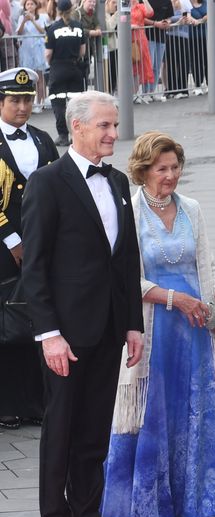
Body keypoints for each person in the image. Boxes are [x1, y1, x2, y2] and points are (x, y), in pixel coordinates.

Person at [100, 132, 215, 517]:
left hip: (194, 332)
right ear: (142, 171)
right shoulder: (129, 213)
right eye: (161, 169)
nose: (170, 176)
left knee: (198, 409)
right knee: (155, 411)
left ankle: (201, 499)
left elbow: (207, 264)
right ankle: (150, 504)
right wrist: (175, 299)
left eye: (175, 167)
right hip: (154, 331)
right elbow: (123, 279)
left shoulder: (192, 208)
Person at [22, 90, 144, 517]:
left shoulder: (115, 182)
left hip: (109, 327)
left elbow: (126, 258)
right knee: (61, 427)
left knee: (94, 426)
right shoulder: (47, 183)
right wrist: (48, 333)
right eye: (106, 127)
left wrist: (132, 323)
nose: (114, 134)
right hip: (66, 334)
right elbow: (34, 267)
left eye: (115, 126)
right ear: (77, 127)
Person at [0, 67, 58, 431]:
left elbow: (57, 189)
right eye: (15, 101)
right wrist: (13, 240)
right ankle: (7, 402)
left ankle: (37, 401)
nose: (23, 107)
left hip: (41, 246)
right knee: (7, 325)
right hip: (3, 249)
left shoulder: (42, 139)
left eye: (27, 99)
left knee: (39, 320)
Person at [44, 0, 86, 147]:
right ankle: (77, 136)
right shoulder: (79, 27)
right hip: (75, 69)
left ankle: (63, 136)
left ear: (58, 10)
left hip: (58, 68)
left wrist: (52, 64)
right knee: (76, 105)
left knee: (58, 104)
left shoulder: (53, 28)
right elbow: (82, 51)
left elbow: (48, 54)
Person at [15, 0, 48, 112]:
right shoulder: (21, 18)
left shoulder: (41, 17)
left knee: (39, 77)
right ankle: (31, 102)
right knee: (29, 78)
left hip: (38, 48)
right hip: (26, 50)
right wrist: (24, 21)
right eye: (27, 4)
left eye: (31, 4)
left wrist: (33, 20)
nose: (29, 6)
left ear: (36, 6)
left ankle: (40, 102)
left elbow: (43, 31)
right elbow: (19, 32)